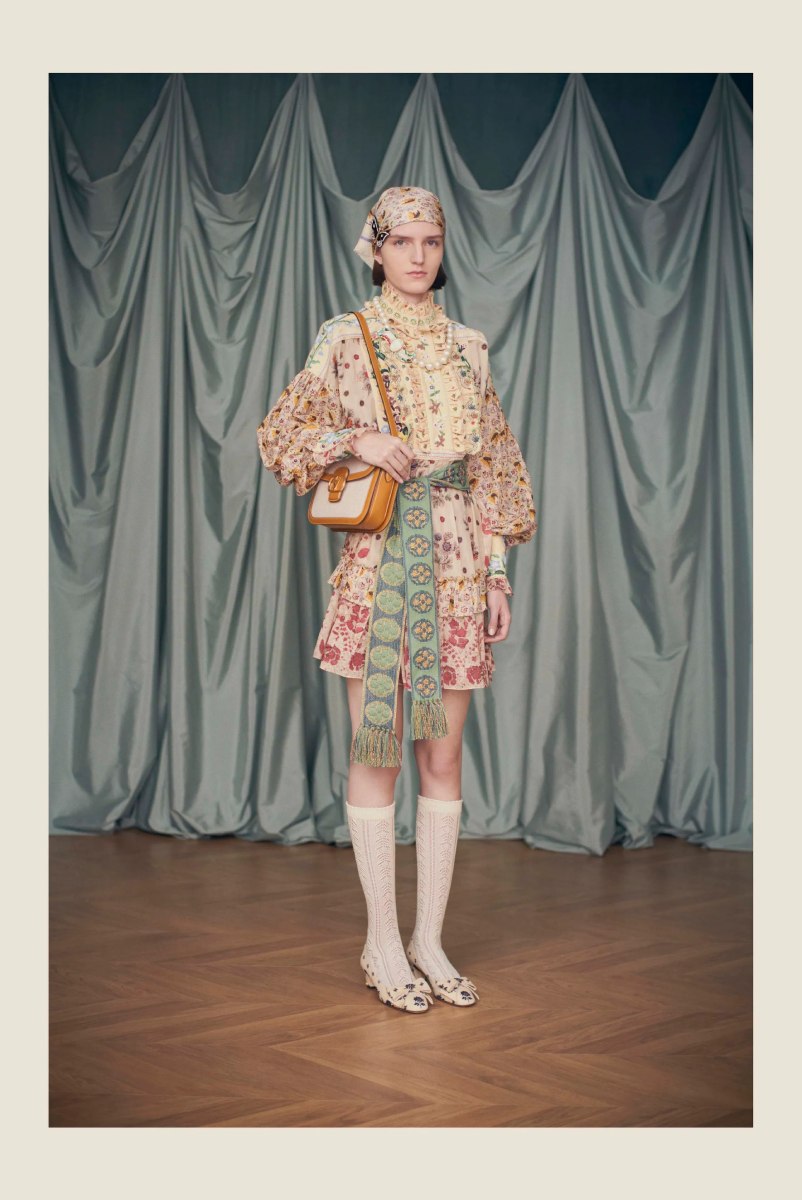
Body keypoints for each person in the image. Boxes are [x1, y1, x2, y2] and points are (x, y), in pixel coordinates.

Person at [257, 186, 537, 1014]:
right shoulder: (347, 337)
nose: (418, 255)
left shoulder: (469, 347)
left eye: (431, 241)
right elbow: (281, 434)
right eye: (402, 241)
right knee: (376, 749)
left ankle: (429, 941)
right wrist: (359, 438)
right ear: (374, 250)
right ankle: (381, 942)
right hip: (381, 561)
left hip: (456, 563)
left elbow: (492, 467)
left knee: (442, 757)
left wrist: (496, 573)